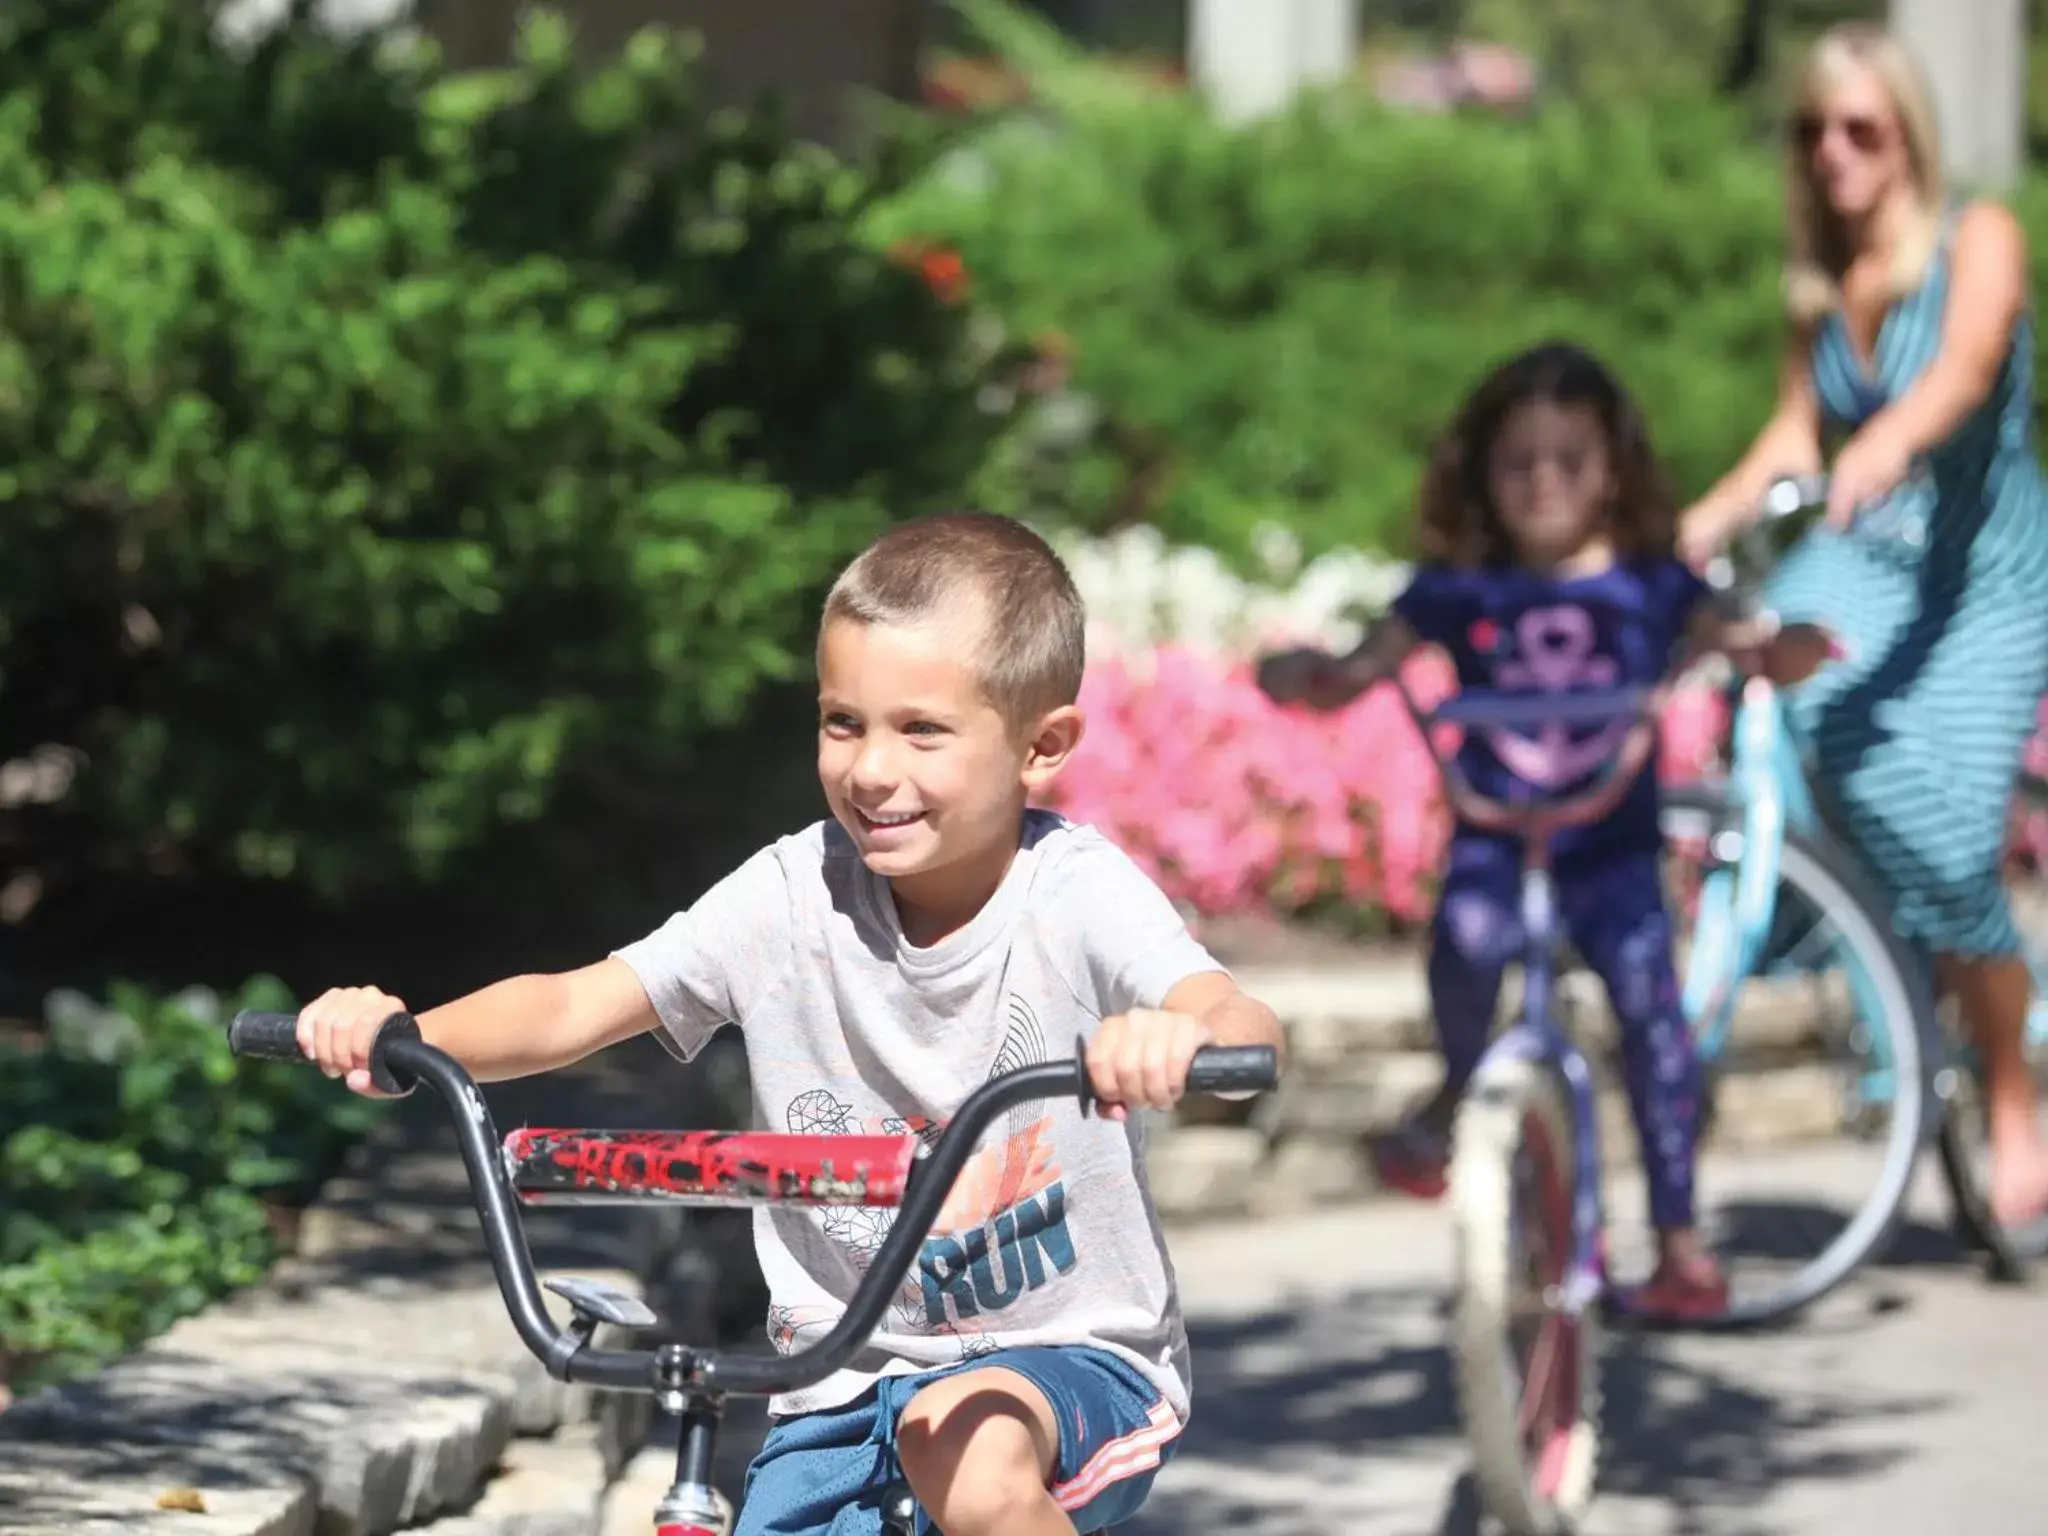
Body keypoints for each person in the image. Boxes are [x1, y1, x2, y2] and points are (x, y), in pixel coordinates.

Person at [290, 512, 1285, 1536]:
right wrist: (410, 1036)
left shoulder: (1072, 891)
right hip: (833, 1384)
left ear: (1041, 747)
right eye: (841, 722)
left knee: (965, 1453)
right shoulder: (790, 893)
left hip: (1065, 1361)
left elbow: (1232, 1016)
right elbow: (581, 1000)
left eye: (921, 730)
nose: (868, 768)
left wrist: (1178, 1039)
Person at [1260, 341, 1800, 1320]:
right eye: (1517, 463)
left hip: (1609, 849)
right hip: (1495, 840)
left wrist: (1773, 653)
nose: (1542, 483)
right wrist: (1311, 677)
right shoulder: (1455, 592)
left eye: (1569, 460)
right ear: (1480, 473)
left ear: (1612, 470)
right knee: (1465, 944)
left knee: (1648, 1005)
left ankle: (1677, 1242)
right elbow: (1356, 669)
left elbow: (1735, 640)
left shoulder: (1650, 585)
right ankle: (1466, 1104)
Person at [1677, 24, 2048, 1230]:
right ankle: (1823, 927)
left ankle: (2005, 1087)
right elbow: (1792, 441)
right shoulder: (1815, 283)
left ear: (1904, 135)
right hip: (1868, 560)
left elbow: (1963, 364)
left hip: (1982, 568)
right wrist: (1688, 522)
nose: (1833, 154)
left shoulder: (1973, 235)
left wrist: (1890, 436)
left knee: (1948, 841)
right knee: (1750, 650)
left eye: (1859, 130)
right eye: (1811, 132)